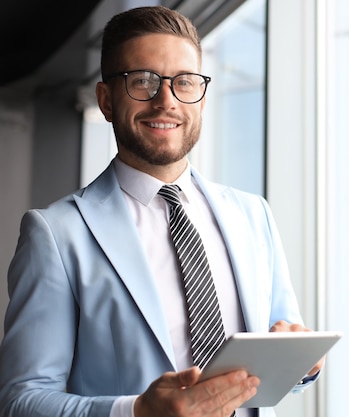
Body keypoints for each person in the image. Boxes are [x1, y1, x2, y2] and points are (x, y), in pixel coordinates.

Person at [0, 6, 323, 417]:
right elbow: (22, 401)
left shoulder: (253, 214)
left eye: (184, 82)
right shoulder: (56, 234)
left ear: (202, 98)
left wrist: (303, 364)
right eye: (142, 81)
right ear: (105, 100)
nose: (165, 101)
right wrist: (136, 411)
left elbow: (281, 340)